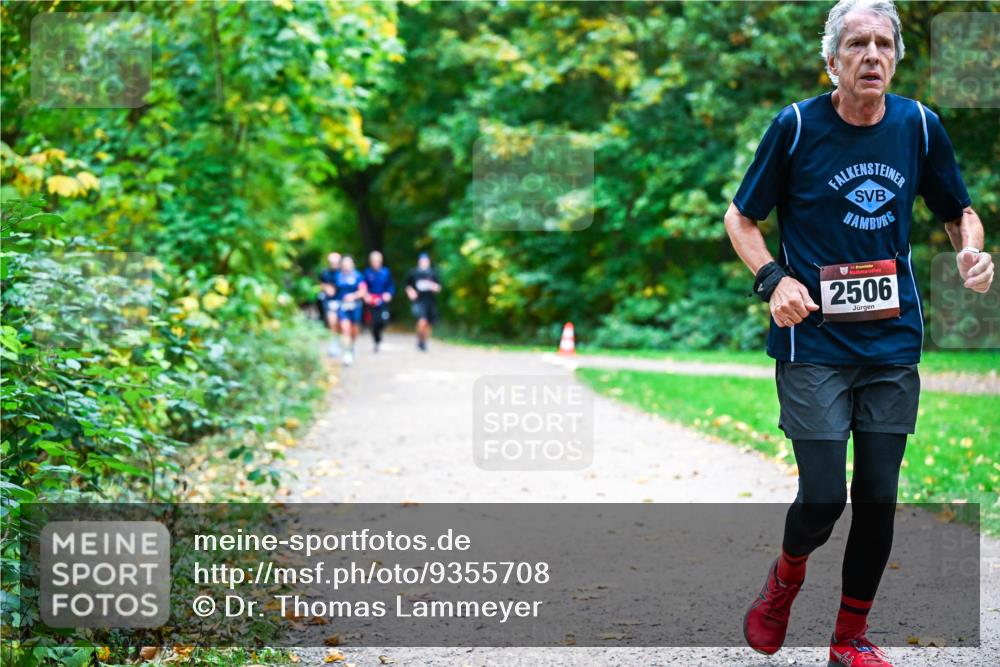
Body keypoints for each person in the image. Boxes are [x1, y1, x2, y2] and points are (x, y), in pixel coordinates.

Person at [723, 1, 993, 665]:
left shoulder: (919, 126)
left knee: (878, 494)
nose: (871, 55)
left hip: (891, 340)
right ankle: (785, 579)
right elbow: (741, 218)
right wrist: (774, 281)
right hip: (812, 342)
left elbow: (959, 209)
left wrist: (971, 251)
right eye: (856, 44)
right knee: (823, 498)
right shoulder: (794, 127)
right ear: (832, 60)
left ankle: (849, 638)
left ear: (896, 57)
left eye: (883, 44)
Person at [334, 255, 368, 366]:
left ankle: (352, 346)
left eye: (348, 264)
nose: (346, 266)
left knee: (354, 331)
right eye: (344, 264)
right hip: (342, 307)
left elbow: (363, 291)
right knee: (345, 329)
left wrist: (353, 296)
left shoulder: (358, 276)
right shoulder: (338, 276)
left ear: (352, 264)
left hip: (355, 306)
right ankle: (347, 352)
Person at [405, 252, 442, 352]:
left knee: (428, 324)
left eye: (426, 261)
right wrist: (411, 292)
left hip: (430, 301)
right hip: (419, 301)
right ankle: (419, 339)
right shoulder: (413, 273)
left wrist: (433, 287)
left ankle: (424, 342)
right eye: (422, 261)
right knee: (422, 321)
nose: (424, 263)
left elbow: (439, 287)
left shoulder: (433, 273)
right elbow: (408, 286)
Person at [363, 250, 395, 352]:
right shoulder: (367, 273)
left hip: (383, 301)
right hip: (372, 301)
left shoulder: (386, 272)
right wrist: (366, 295)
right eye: (374, 261)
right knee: (373, 322)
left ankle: (379, 336)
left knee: (383, 321)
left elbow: (391, 285)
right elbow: (363, 286)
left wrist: (389, 294)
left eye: (378, 260)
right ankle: (376, 340)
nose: (376, 262)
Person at [318, 252, 342, 357]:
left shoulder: (342, 273)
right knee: (331, 322)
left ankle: (341, 342)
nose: (334, 264)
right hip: (329, 301)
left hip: (341, 301)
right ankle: (333, 343)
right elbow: (321, 284)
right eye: (332, 262)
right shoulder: (324, 273)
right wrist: (326, 288)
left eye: (336, 262)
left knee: (341, 323)